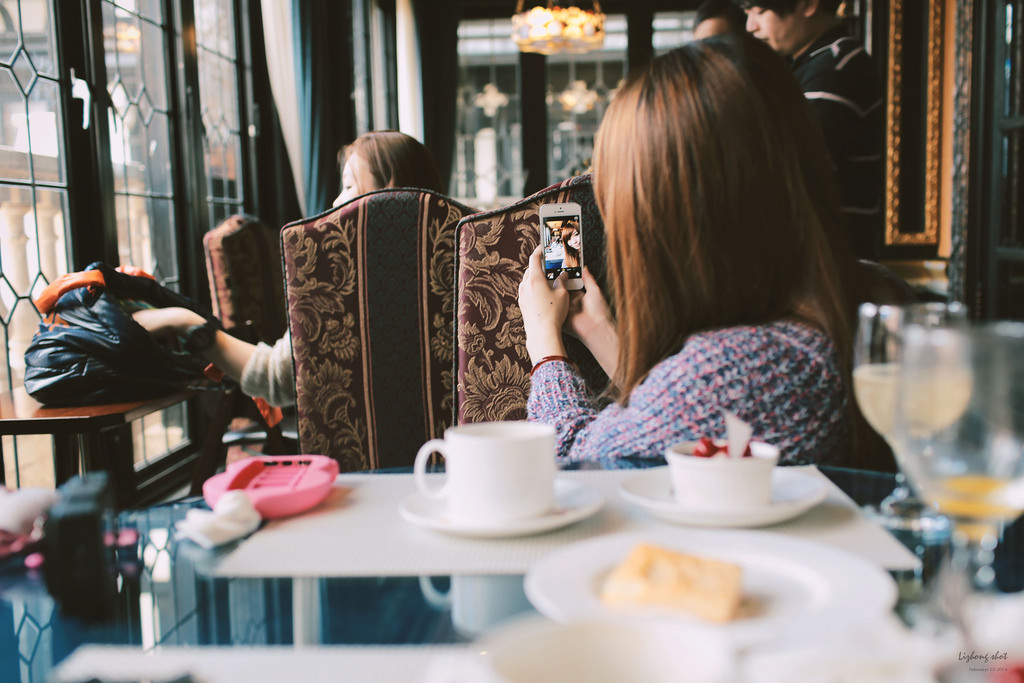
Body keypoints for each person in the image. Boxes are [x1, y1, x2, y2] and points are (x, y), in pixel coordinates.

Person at [518, 35, 860, 468]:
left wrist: (543, 340)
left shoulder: (729, 371)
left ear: (673, 223)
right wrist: (598, 328)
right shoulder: (841, 316)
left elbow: (572, 462)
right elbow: (666, 424)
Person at [134, 131, 445, 407]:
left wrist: (182, 321)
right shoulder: (464, 270)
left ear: (388, 197)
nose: (336, 199)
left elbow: (279, 379)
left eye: (349, 185)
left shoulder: (341, 278)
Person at [736, 0, 885, 261]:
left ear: (807, 4)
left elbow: (787, 169)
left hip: (833, 266)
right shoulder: (812, 64)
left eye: (759, 11)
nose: (750, 26)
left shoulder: (836, 69)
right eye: (746, 13)